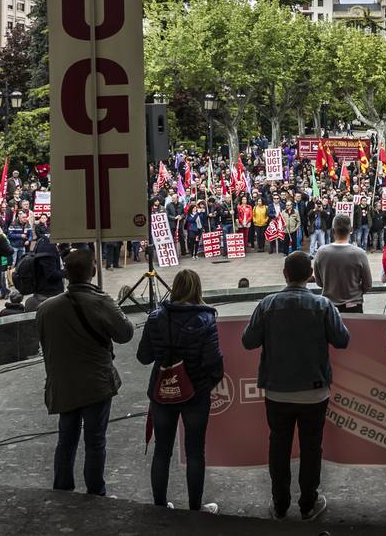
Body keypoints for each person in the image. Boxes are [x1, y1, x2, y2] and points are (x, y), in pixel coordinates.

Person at [242, 251, 349, 522]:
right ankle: (308, 504)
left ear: (285, 274)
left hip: (277, 391)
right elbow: (342, 340)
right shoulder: (323, 305)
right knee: (312, 448)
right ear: (311, 275)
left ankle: (280, 505)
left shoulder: (267, 305)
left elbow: (248, 341)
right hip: (314, 392)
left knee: (278, 447)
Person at [36, 249, 135, 496]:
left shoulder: (47, 308)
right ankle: (95, 491)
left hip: (64, 383)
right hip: (95, 384)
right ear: (93, 271)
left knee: (65, 439)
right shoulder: (101, 302)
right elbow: (126, 334)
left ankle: (62, 488)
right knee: (95, 441)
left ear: (66, 274)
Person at [136, 268, 223, 512]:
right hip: (195, 393)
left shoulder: (155, 317)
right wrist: (206, 385)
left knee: (162, 450)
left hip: (162, 391)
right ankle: (195, 508)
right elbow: (214, 362)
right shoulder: (206, 319)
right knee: (195, 451)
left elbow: (143, 356)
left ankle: (160, 505)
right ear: (197, 289)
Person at [311, 214, 372, 313]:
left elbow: (319, 282)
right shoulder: (360, 253)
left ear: (332, 230)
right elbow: (368, 284)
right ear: (351, 230)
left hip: (329, 305)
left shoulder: (321, 252)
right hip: (353, 304)